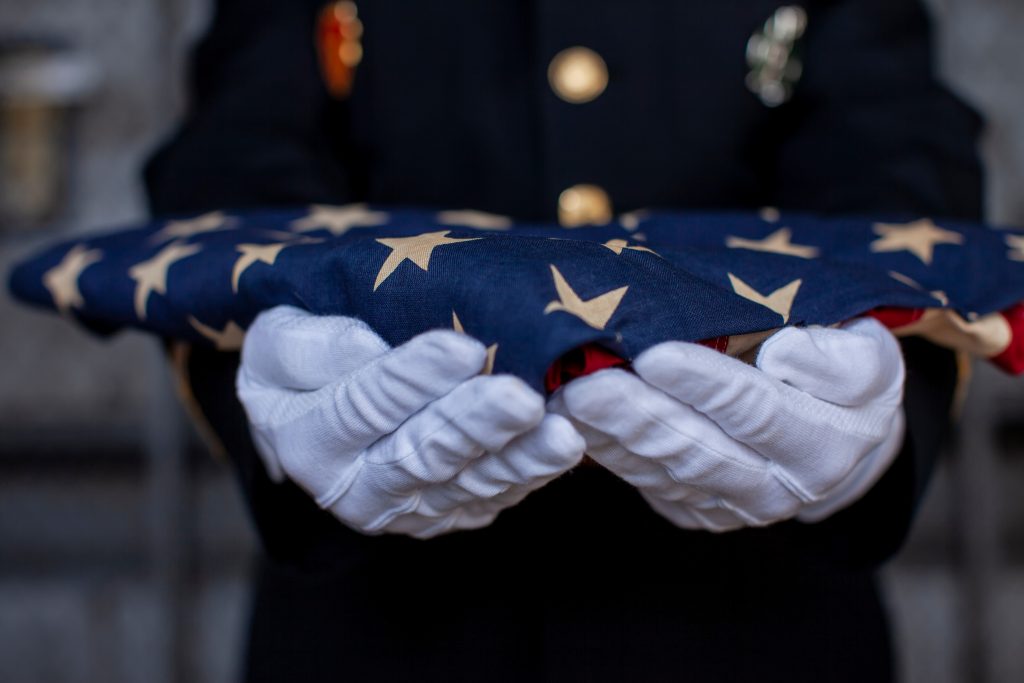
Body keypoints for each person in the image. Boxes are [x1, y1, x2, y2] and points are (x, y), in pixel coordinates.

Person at [144, 1, 984, 680]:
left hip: (755, 615)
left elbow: (896, 149)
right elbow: (240, 144)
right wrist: (281, 364)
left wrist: (874, 402)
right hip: (381, 617)